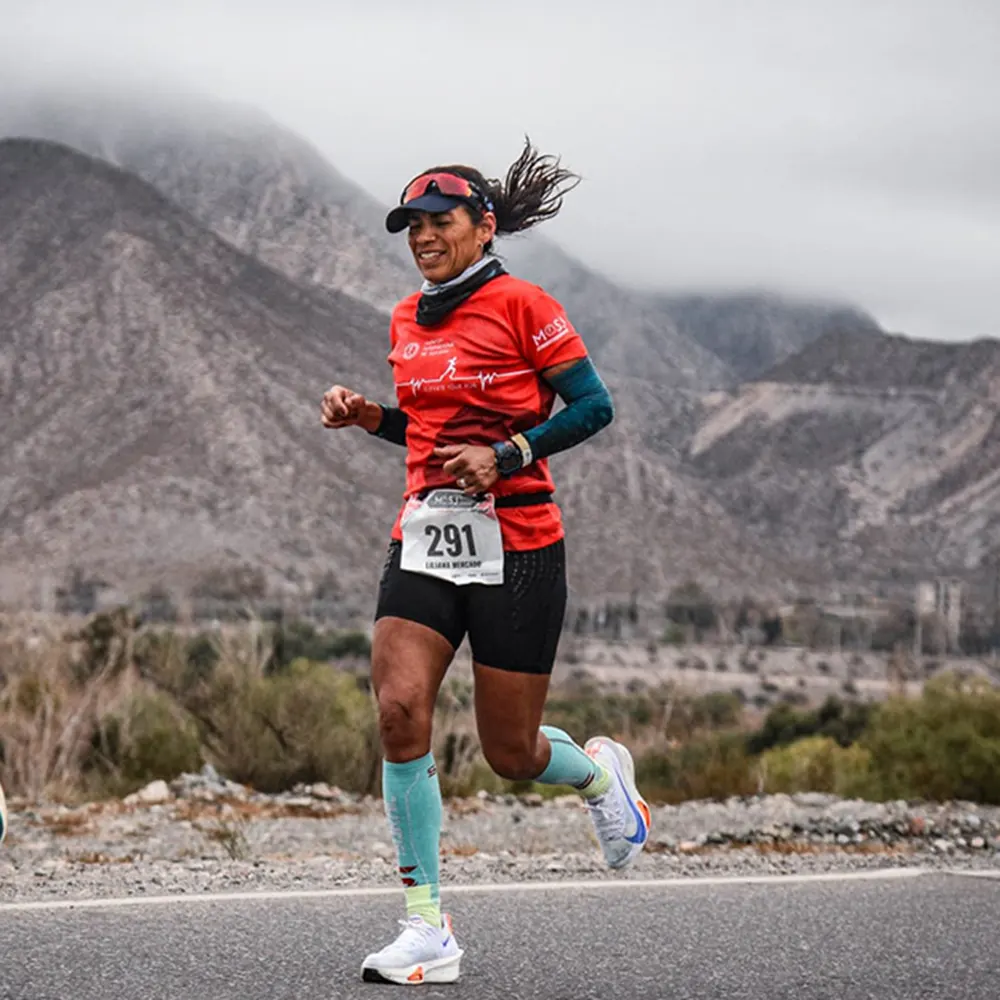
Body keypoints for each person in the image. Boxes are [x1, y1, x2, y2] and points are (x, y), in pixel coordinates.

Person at [320, 139, 650, 986]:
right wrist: (369, 418)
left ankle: (599, 777)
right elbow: (425, 430)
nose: (423, 236)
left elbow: (593, 406)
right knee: (398, 712)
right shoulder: (404, 318)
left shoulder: (523, 303)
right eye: (412, 226)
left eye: (439, 221)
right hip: (426, 536)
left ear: (482, 225)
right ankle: (426, 927)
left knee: (511, 752)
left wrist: (510, 452)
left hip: (520, 546)